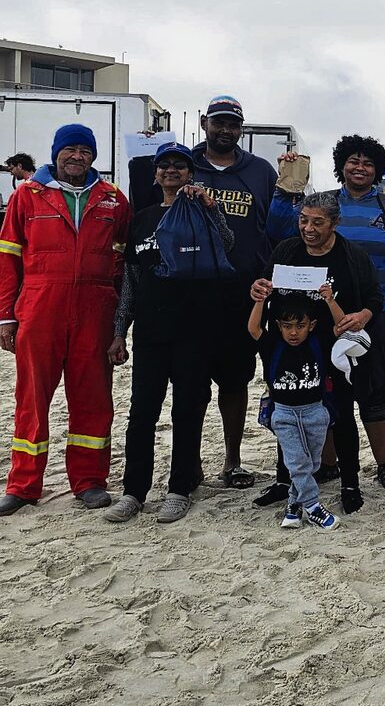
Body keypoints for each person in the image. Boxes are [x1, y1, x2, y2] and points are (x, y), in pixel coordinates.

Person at [270, 135, 385, 486]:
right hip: (320, 315)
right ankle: (329, 463)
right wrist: (285, 183)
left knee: (376, 389)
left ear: (378, 170)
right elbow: (279, 228)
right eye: (353, 161)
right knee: (325, 388)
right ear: (341, 166)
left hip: (376, 312)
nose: (360, 168)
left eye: (368, 163)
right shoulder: (322, 205)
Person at [0, 124, 131, 515]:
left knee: (93, 397)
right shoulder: (27, 195)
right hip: (40, 307)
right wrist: (5, 317)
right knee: (31, 398)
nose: (77, 156)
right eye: (69, 149)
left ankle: (89, 481)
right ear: (56, 152)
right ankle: (23, 485)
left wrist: (119, 322)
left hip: (96, 309)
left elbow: (125, 263)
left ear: (94, 156)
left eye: (85, 151)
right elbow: (8, 258)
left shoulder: (113, 199)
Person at [105, 143, 235, 525]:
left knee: (187, 410)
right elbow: (131, 279)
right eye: (165, 165)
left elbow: (227, 244)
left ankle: (180, 488)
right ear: (156, 174)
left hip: (195, 329)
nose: (171, 170)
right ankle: (134, 492)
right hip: (151, 332)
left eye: (180, 165)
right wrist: (120, 331)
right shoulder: (143, 219)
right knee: (142, 412)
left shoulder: (202, 210)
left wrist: (212, 207)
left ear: (191, 173)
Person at [250, 193, 382, 514]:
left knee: (342, 414)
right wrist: (258, 289)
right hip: (288, 346)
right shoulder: (286, 250)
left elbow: (375, 298)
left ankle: (350, 483)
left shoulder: (351, 256)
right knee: (286, 411)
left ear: (335, 223)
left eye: (317, 222)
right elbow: (264, 286)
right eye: (303, 220)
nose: (308, 228)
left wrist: (362, 315)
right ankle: (284, 480)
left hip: (333, 350)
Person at [189, 95, 278, 489]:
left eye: (233, 124)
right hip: (192, 295)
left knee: (236, 380)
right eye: (219, 122)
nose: (225, 130)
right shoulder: (185, 165)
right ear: (205, 123)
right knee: (192, 385)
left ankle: (233, 461)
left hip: (244, 295)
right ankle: (190, 462)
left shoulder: (260, 171)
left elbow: (277, 226)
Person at [249, 290, 342, 532]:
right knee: (297, 463)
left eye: (300, 326)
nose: (293, 332)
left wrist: (330, 300)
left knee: (311, 464)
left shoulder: (318, 342)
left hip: (315, 412)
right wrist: (260, 301)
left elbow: (341, 326)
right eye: (287, 326)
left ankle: (294, 505)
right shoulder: (272, 346)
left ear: (311, 325)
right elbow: (254, 328)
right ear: (278, 326)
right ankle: (313, 507)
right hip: (284, 414)